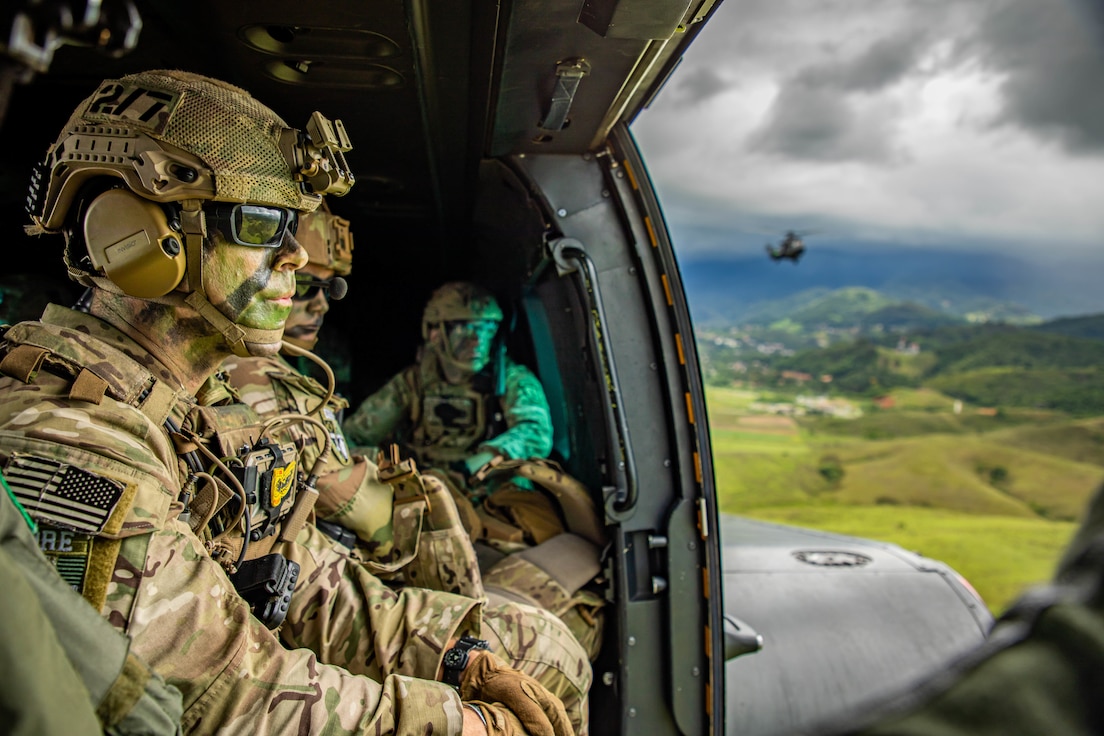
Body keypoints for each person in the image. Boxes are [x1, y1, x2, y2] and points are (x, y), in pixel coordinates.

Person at [2, 68, 580, 735]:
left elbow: (308, 579)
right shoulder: (64, 440)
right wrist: (462, 724)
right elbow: (222, 699)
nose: (297, 260)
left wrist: (458, 658)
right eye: (262, 224)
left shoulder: (200, 411)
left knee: (542, 654)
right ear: (129, 234)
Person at [343, 282, 608, 660]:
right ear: (435, 332)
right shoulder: (413, 383)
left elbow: (536, 432)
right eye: (464, 327)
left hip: (491, 498)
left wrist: (487, 457)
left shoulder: (511, 379)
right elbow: (355, 435)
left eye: (486, 329)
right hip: (427, 492)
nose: (477, 339)